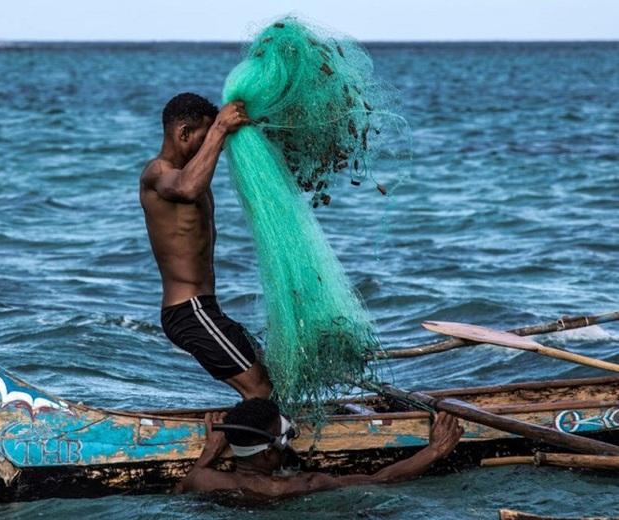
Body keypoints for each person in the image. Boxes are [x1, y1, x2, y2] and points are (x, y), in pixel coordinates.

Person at [140, 92, 272, 399]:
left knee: (268, 377)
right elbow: (186, 188)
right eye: (204, 136)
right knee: (260, 389)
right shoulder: (156, 173)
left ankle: (258, 441)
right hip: (187, 310)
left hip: (206, 308)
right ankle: (221, 444)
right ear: (183, 133)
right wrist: (219, 129)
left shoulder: (193, 172)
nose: (217, 146)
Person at [175, 398, 464, 499]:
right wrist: (435, 450)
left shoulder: (203, 479)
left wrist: (210, 452)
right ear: (267, 454)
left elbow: (180, 489)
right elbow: (381, 479)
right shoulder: (299, 486)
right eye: (285, 435)